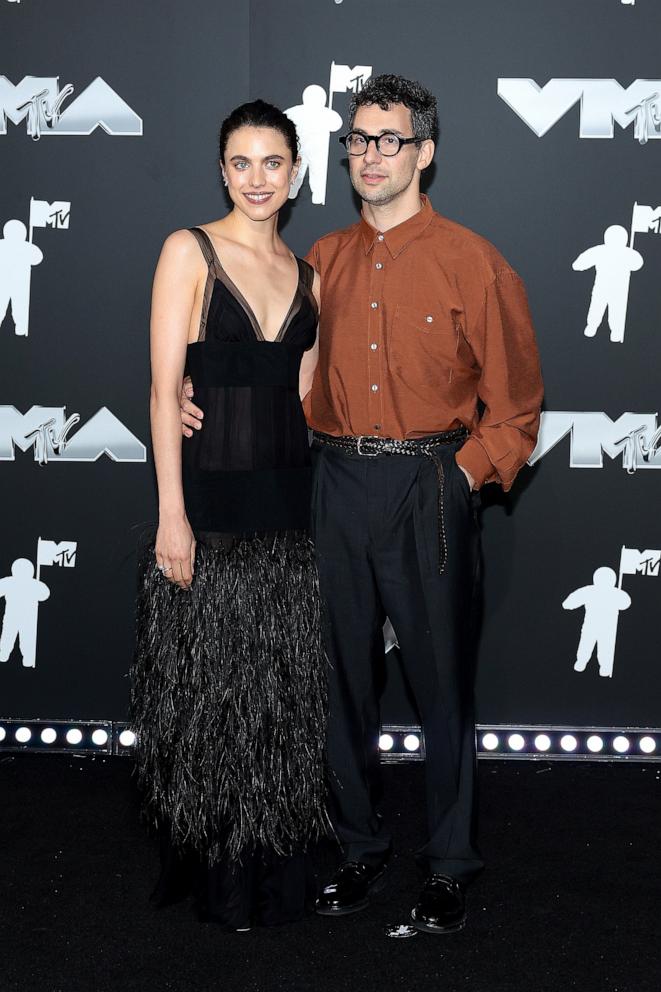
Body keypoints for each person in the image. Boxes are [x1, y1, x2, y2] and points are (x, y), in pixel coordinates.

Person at [180, 74, 544, 935]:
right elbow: (276, 370)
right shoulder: (321, 266)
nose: (370, 154)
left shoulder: (474, 261)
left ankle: (450, 862)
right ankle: (357, 847)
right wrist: (199, 394)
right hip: (330, 484)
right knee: (338, 679)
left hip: (429, 484)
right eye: (358, 139)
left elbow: (519, 407)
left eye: (389, 139)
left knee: (441, 682)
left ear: (425, 151)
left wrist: (459, 475)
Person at [130, 100, 329, 932]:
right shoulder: (189, 250)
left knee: (277, 706)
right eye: (240, 163)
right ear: (221, 170)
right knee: (212, 704)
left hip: (288, 510)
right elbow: (159, 388)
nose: (256, 178)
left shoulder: (309, 272)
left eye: (272, 162)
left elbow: (309, 397)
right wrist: (170, 515)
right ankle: (220, 884)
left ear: (295, 172)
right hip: (208, 507)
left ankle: (273, 880)